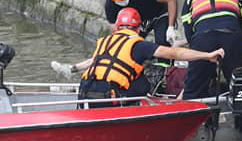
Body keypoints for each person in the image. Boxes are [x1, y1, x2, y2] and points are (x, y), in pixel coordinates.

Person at [57, 7, 223, 104]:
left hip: (85, 93)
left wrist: (71, 69)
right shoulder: (138, 45)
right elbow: (176, 53)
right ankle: (137, 108)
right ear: (138, 28)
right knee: (142, 81)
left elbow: (92, 62)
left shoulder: (106, 42)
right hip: (109, 97)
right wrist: (207, 55)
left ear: (117, 27)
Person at [180, 0, 242, 98]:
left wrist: (200, 55)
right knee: (240, 86)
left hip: (203, 38)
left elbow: (189, 32)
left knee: (195, 87)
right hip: (231, 35)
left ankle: (192, 108)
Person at [103, 0, 178, 46]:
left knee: (163, 41)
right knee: (128, 45)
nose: (124, 1)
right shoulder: (110, 6)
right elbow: (116, 31)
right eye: (120, 0)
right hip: (138, 23)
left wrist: (170, 27)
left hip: (159, 13)